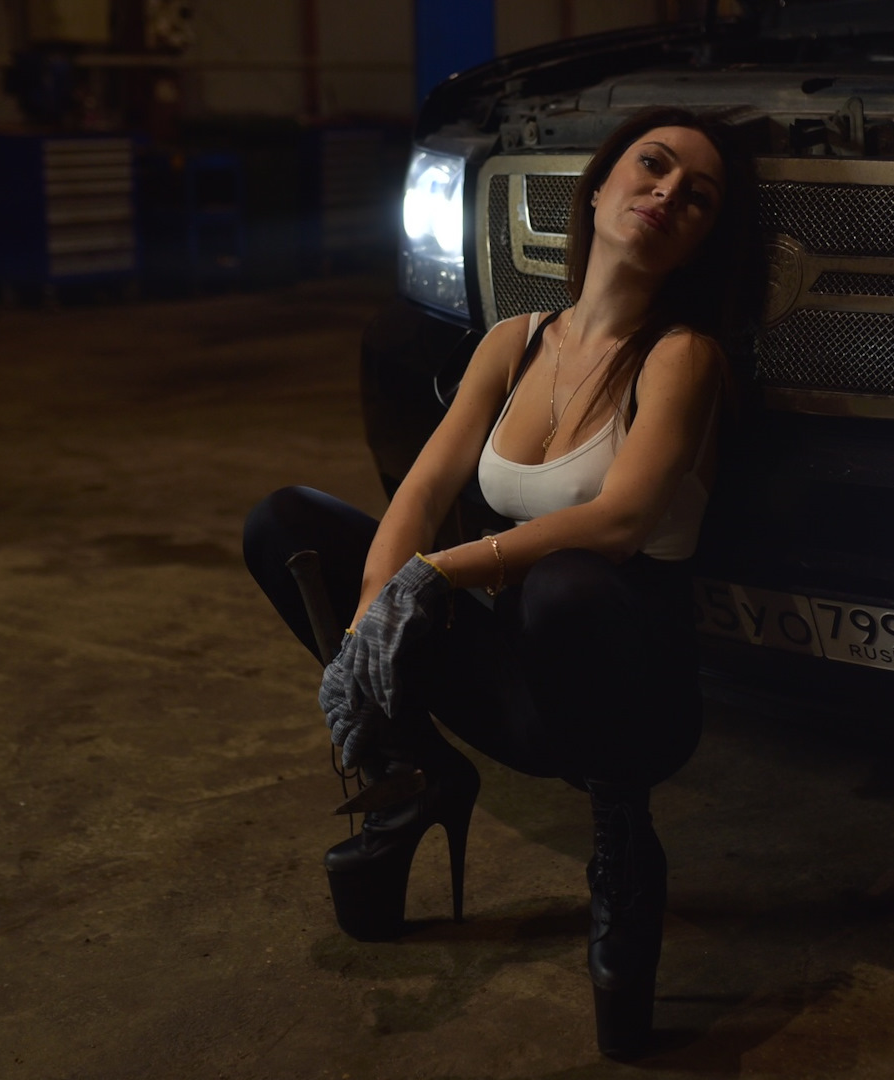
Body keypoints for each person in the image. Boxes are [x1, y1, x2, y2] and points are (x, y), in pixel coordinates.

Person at [241, 105, 758, 1058]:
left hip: (629, 692)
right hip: (519, 679)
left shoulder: (682, 357)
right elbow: (422, 490)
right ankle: (413, 778)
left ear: (701, 240)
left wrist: (437, 575)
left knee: (565, 582)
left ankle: (624, 849)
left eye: (697, 197)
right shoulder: (515, 340)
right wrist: (365, 627)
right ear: (597, 187)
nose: (666, 193)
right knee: (287, 523)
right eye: (651, 166)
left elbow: (621, 521)